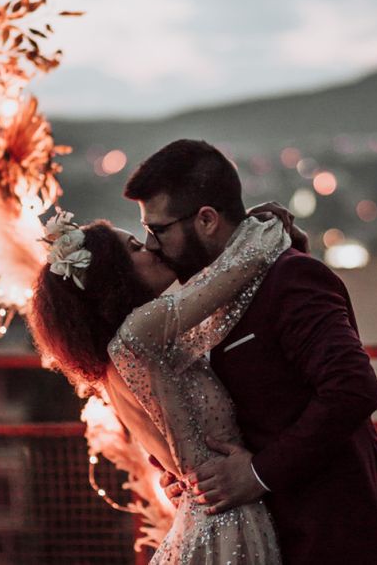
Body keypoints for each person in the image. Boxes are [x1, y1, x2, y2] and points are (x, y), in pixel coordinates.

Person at [124, 139, 377, 564]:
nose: (150, 245)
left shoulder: (292, 276)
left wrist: (257, 473)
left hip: (330, 530)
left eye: (158, 230)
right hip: (265, 537)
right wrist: (184, 471)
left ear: (206, 219)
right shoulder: (202, 297)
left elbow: (352, 388)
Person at [29, 210, 292, 563]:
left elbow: (221, 314)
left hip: (210, 519)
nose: (154, 248)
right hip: (227, 520)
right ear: (114, 276)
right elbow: (246, 264)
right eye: (136, 247)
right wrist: (269, 223)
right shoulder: (138, 334)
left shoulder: (119, 360)